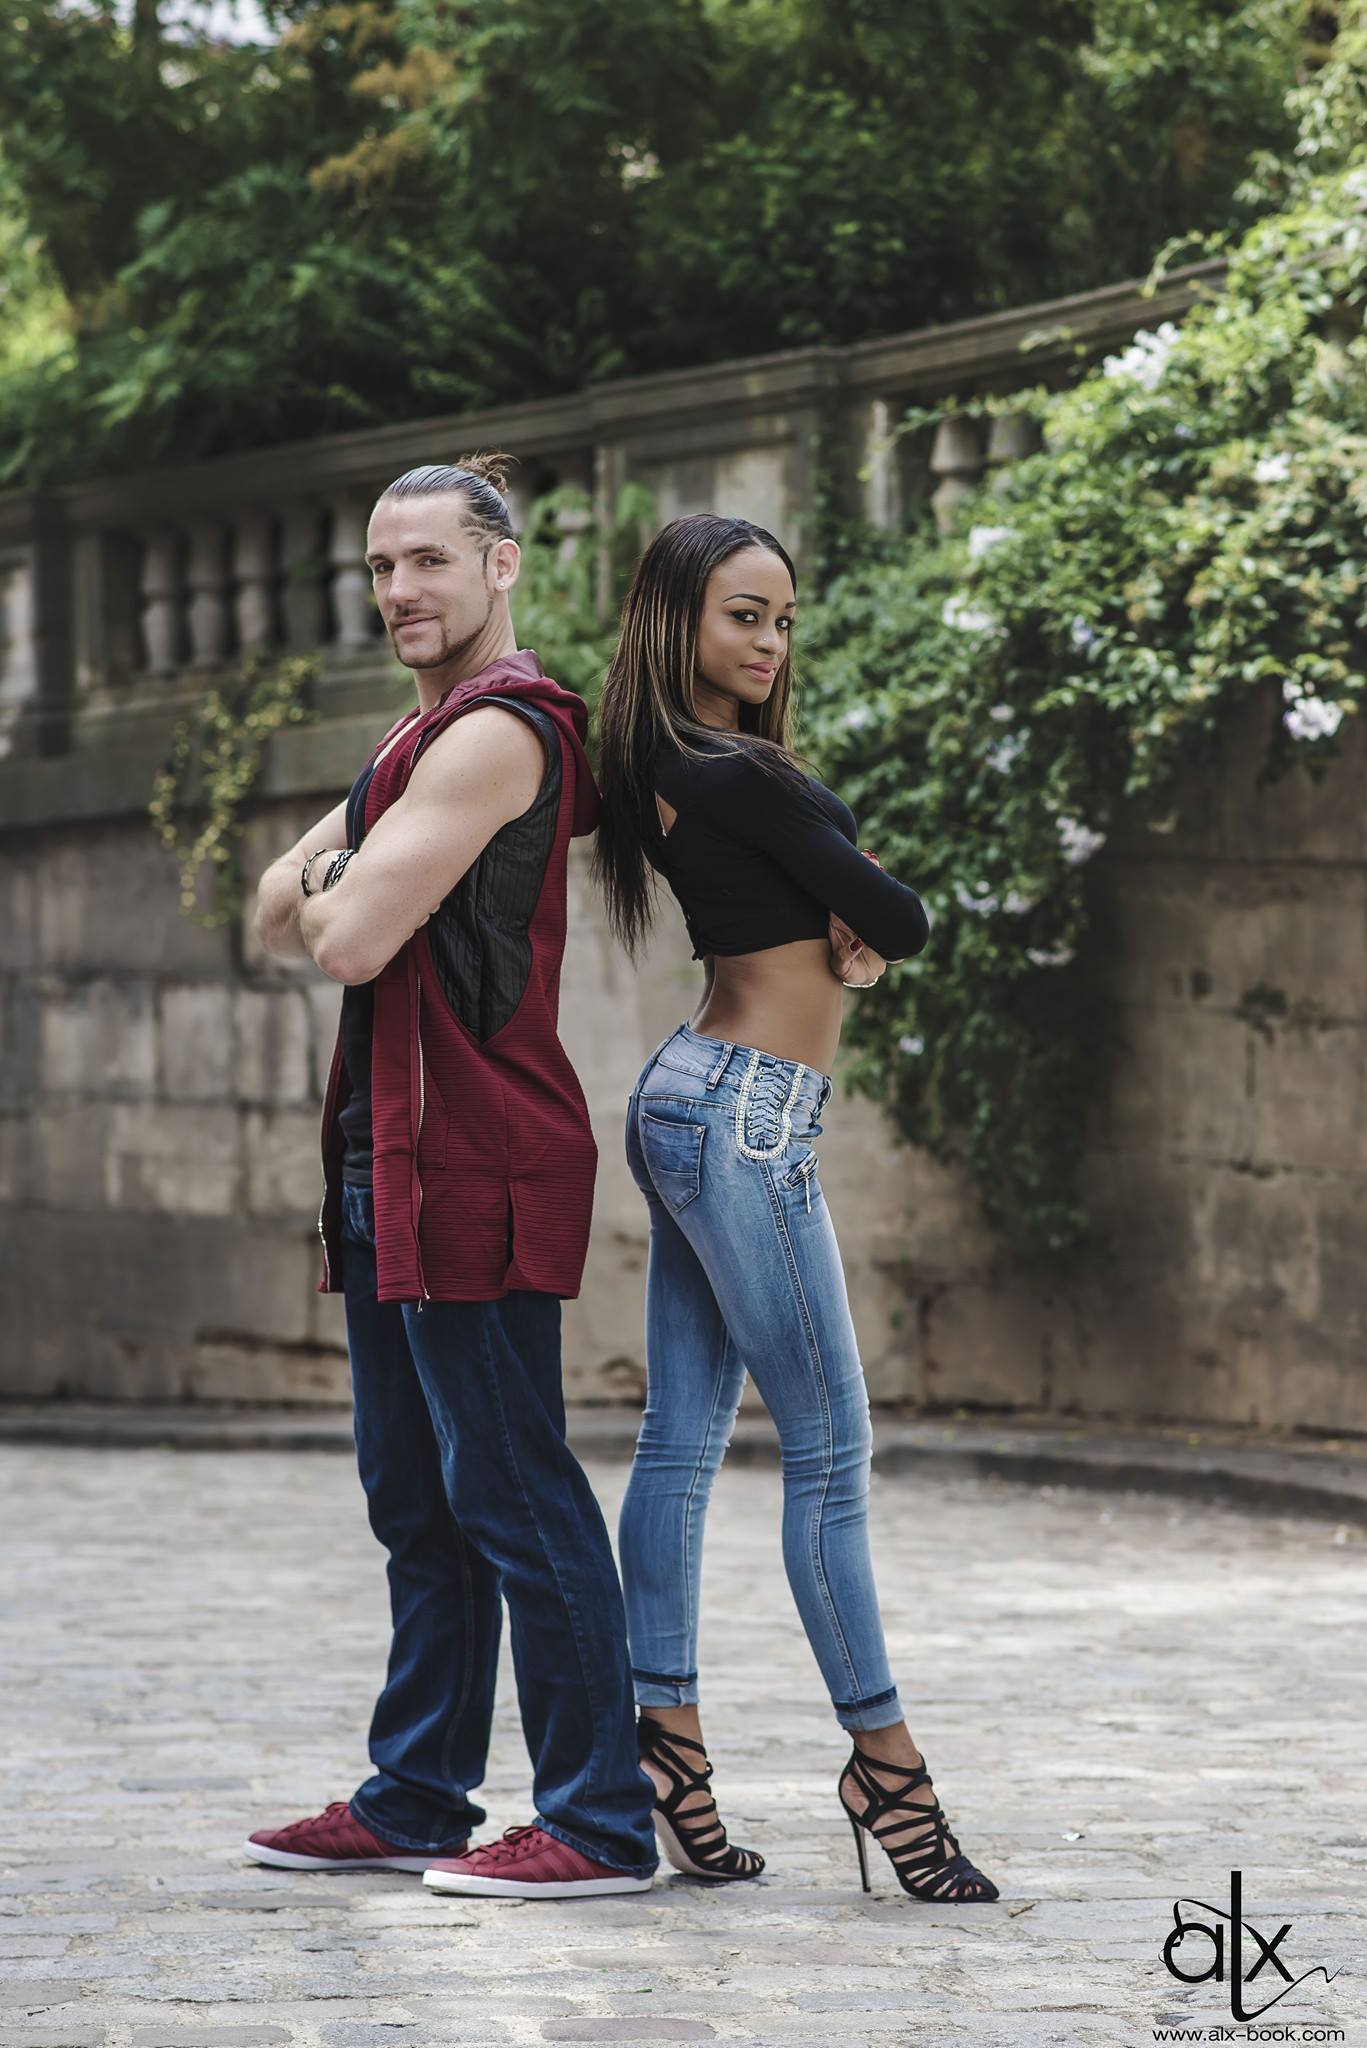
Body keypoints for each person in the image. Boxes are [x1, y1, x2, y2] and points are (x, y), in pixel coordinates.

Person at [244, 455, 657, 1900]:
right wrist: (341, 883)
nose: (400, 589)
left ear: (501, 566)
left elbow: (345, 940)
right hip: (384, 1161)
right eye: (381, 565)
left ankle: (600, 1820)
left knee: (516, 1493)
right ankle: (419, 1792)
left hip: (474, 1156)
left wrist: (340, 885)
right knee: (415, 1501)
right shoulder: (410, 743)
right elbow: (268, 909)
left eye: (429, 559)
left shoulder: (494, 734)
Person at [592, 512, 998, 1903]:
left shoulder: (673, 763)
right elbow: (904, 916)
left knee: (683, 1441)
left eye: (781, 619)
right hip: (744, 1114)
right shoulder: (727, 771)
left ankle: (666, 1746)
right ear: (678, 620)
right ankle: (885, 1764)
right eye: (741, 616)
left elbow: (851, 916)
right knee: (829, 1451)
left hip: (700, 1095)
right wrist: (863, 914)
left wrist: (849, 924)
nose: (768, 642)